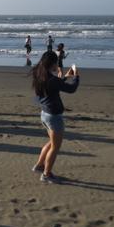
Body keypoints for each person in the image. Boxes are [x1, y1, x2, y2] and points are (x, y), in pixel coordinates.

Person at [31, 51, 79, 184]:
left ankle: (39, 165)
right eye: (56, 62)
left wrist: (65, 77)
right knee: (55, 147)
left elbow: (54, 86)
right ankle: (46, 174)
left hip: (45, 114)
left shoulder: (40, 75)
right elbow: (72, 89)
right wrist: (76, 77)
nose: (57, 65)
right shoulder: (51, 79)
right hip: (53, 116)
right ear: (52, 63)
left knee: (52, 143)